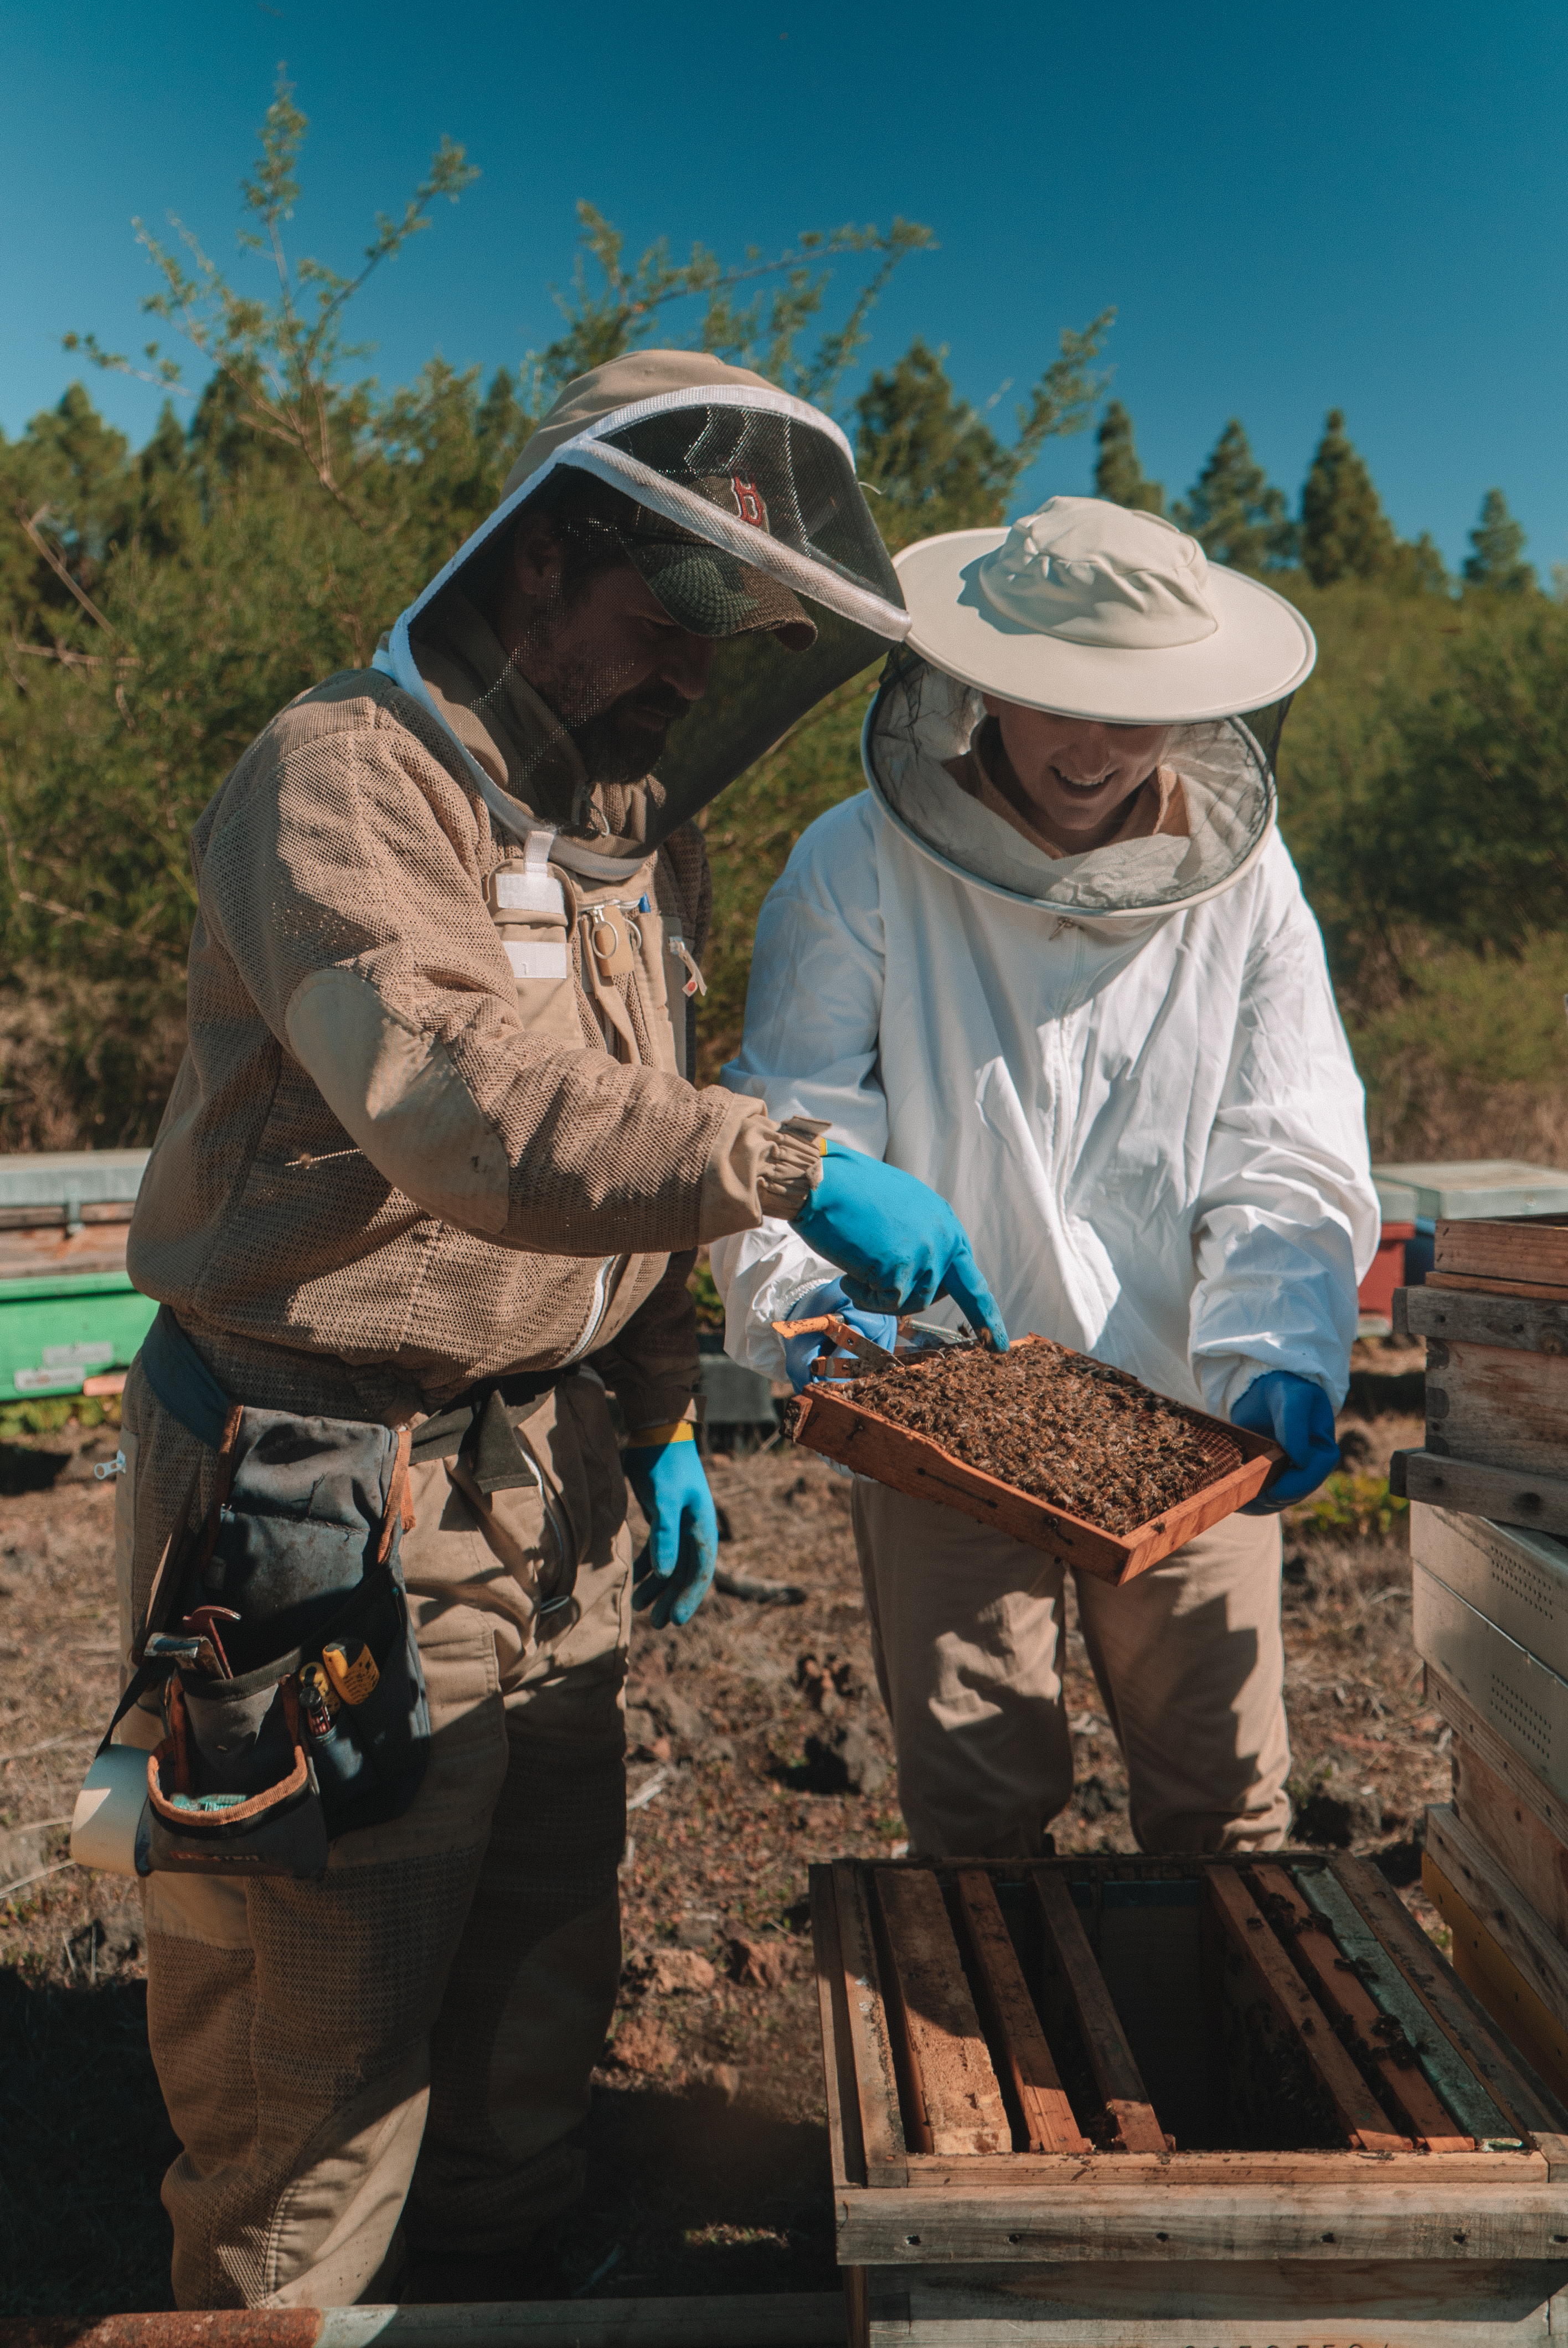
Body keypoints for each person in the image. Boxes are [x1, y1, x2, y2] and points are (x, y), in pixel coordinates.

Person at [111, 349, 999, 2310]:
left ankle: (506, 2264)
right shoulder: (341, 779)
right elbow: (463, 1102)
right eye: (675, 616)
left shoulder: (628, 833)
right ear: (534, 565)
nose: (698, 676)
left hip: (554, 1475)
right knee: (314, 2007)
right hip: (317, 1481)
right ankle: (281, 2309)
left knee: (535, 1955)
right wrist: (792, 1166)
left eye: (739, 635)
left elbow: (626, 1164)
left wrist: (666, 1410)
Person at [712, 495, 1379, 1862]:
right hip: (935, 1409)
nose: (1091, 748)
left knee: (1228, 1805)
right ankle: (1006, 2069)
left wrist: (1282, 1349)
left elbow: (1287, 1142)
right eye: (1052, 699)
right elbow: (797, 1122)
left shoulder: (1248, 889)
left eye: (1132, 709)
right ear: (982, 686)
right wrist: (833, 1324)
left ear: (1192, 709)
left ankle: (1208, 2071)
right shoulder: (860, 859)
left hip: (1187, 1411)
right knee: (976, 1813)